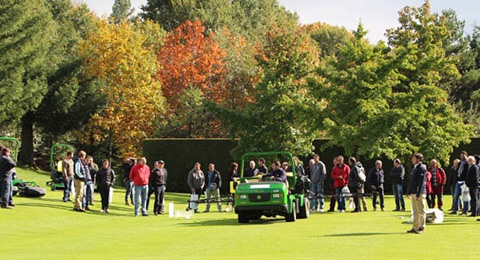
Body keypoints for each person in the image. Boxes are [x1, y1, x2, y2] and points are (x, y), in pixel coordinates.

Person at [407, 153, 427, 234]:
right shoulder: (415, 168)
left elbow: (421, 182)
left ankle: (421, 227)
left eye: (414, 158)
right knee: (415, 211)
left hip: (419, 193)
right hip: (413, 192)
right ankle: (415, 227)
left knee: (421, 211)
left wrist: (419, 194)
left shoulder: (421, 168)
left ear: (418, 159)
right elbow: (411, 181)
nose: (412, 160)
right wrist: (409, 192)